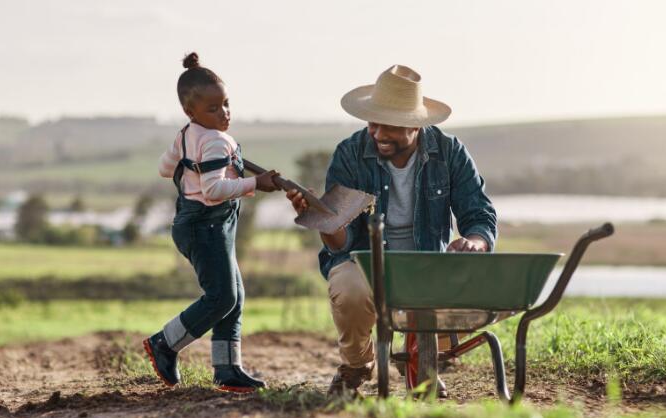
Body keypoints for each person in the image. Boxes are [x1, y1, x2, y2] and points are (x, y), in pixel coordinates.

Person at [287, 65, 497, 396]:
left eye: (390, 125)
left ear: (416, 126)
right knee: (348, 286)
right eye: (373, 121)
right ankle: (357, 366)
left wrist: (475, 241)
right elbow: (342, 245)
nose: (378, 133)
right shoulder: (350, 154)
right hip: (367, 261)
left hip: (428, 262)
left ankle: (419, 356)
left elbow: (478, 213)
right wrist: (324, 221)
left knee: (465, 290)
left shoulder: (450, 152)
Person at [143, 52, 280, 392]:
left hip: (204, 225)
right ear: (191, 111)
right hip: (206, 225)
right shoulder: (216, 140)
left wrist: (190, 163)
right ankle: (165, 343)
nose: (224, 113)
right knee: (221, 297)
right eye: (213, 109)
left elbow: (165, 168)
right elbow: (215, 189)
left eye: (226, 104)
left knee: (234, 295)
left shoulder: (188, 134)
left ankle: (227, 367)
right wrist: (255, 184)